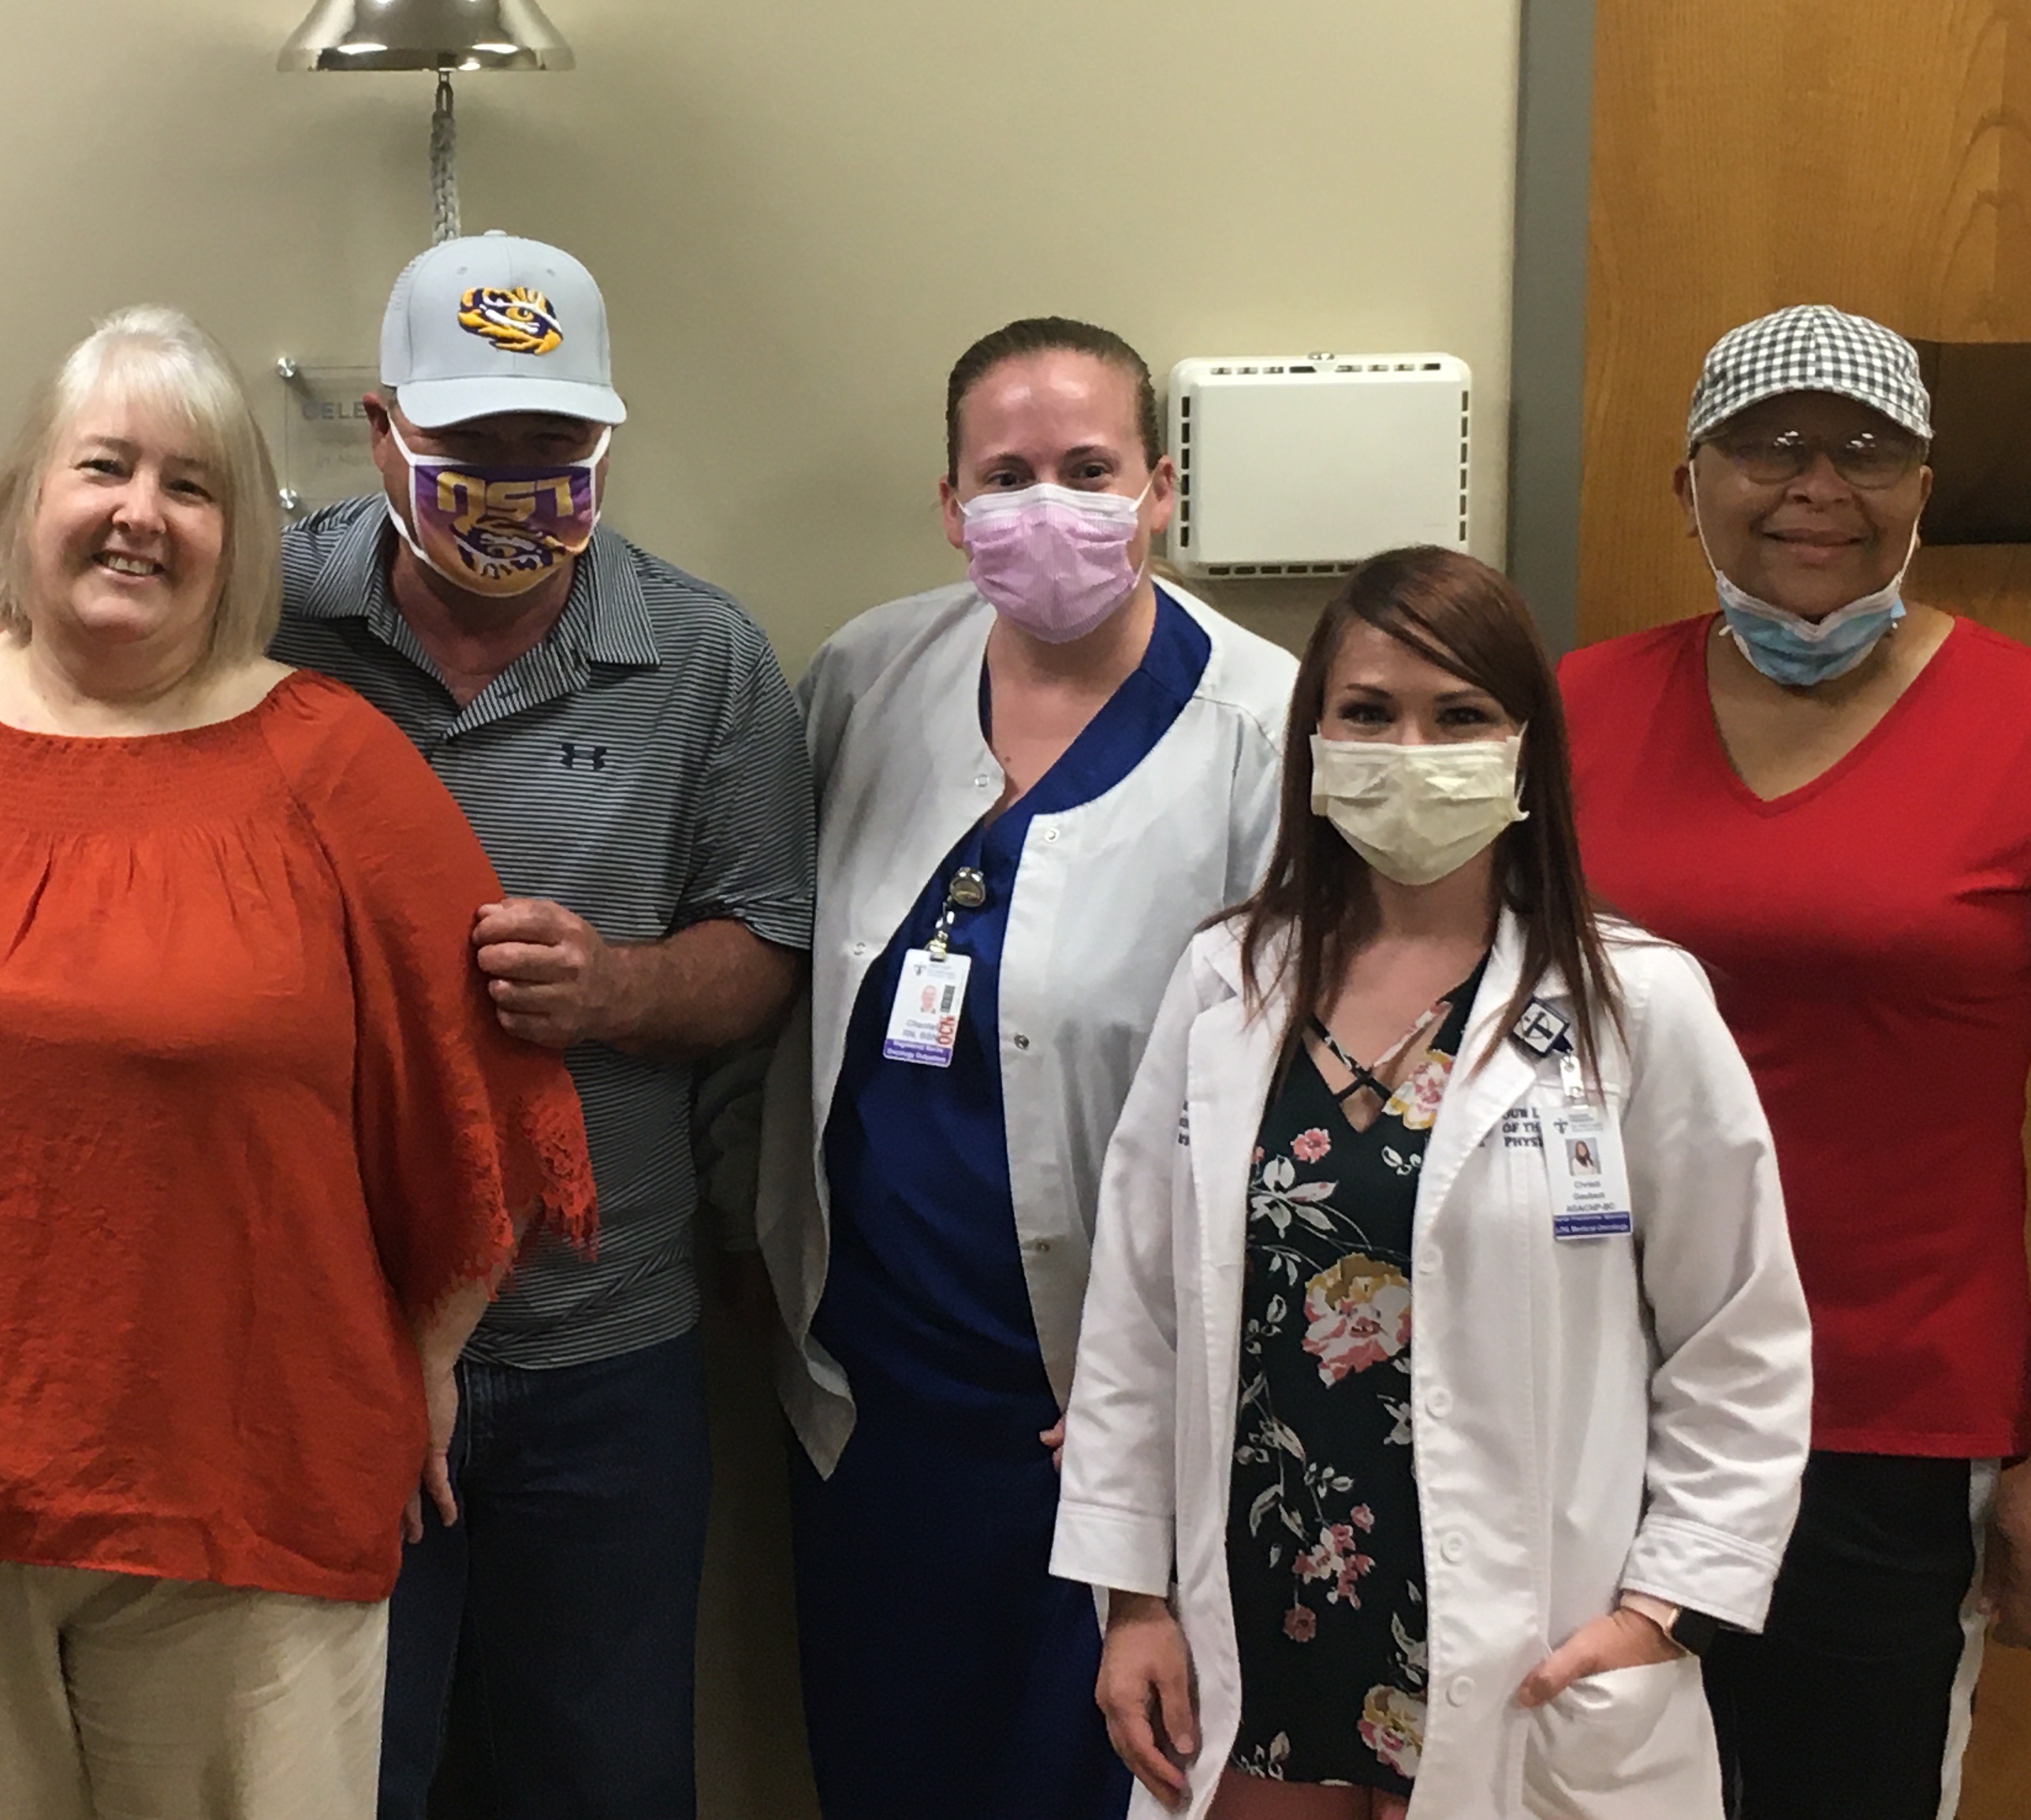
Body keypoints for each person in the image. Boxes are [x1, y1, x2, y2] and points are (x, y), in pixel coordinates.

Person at [0, 305, 594, 1820]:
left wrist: (430, 1359)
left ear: (239, 539)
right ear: (26, 501)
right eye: (105, 468)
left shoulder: (334, 767)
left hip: (243, 1487)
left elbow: (488, 1096)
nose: (142, 514)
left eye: (193, 485)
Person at [1058, 544, 1813, 1820]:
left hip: (1525, 1642)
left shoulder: (1637, 1005)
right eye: (1369, 712)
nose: (1412, 749)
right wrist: (1132, 1599)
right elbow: (1136, 1321)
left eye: (1460, 715)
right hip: (1261, 1616)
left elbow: (1737, 1336)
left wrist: (1663, 1612)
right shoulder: (1223, 985)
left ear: (1525, 750)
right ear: (1314, 741)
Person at [271, 230, 814, 1820]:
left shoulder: (707, 656)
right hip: (333, 1339)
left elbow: (770, 949)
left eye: (553, 449)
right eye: (468, 450)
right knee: (352, 1779)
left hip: (606, 1353)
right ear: (381, 431)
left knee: (602, 1780)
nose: (515, 487)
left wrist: (621, 989)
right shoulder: (261, 624)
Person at [758, 317, 1296, 1819]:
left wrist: (1179, 1393)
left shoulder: (1266, 730)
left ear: (1160, 490)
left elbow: (1296, 1106)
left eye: (1088, 468)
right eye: (1005, 474)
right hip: (873, 1410)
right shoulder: (869, 677)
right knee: (888, 1775)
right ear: (948, 505)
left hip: (1104, 1426)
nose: (1046, 504)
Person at [1558, 305, 2031, 1818]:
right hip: (1585, 1390)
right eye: (1765, 443)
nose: (1816, 483)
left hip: (1890, 1415)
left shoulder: (2019, 725)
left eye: (1868, 449)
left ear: (1924, 485)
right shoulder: (1564, 715)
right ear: (1684, 477)